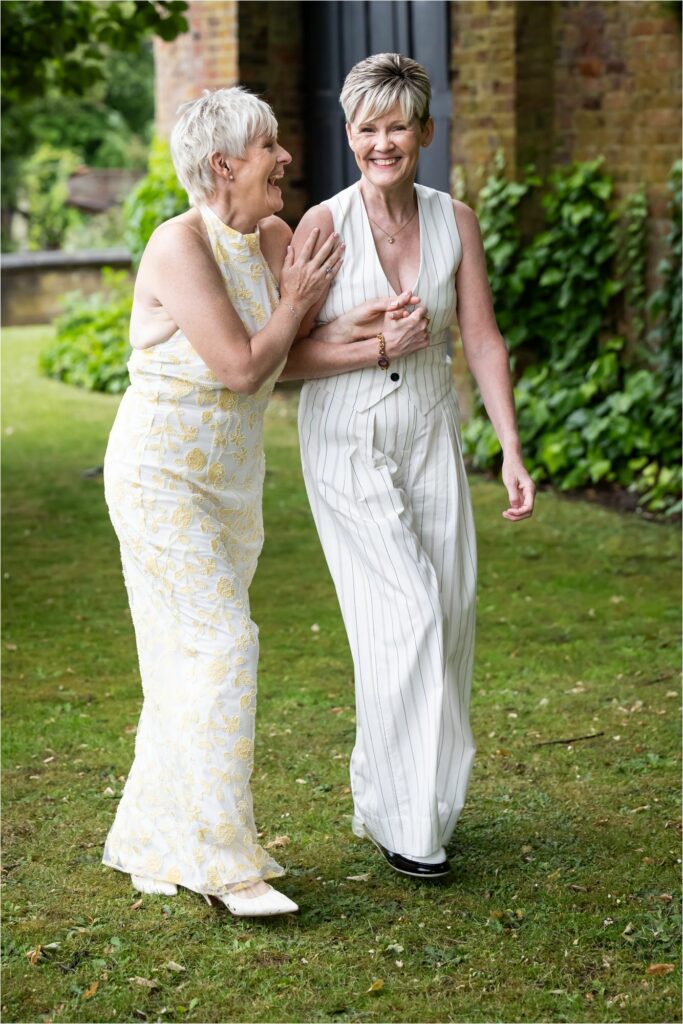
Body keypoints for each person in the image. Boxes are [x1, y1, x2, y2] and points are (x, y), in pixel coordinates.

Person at [281, 53, 535, 879]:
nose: (381, 142)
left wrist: (509, 447)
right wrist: (372, 342)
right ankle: (406, 831)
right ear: (347, 135)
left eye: (397, 126)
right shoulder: (321, 225)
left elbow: (481, 338)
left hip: (429, 432)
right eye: (366, 128)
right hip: (346, 435)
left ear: (423, 131)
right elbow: (287, 359)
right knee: (408, 615)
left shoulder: (453, 218)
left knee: (449, 618)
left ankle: (399, 798)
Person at [102, 87, 344, 917]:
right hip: (158, 476)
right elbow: (244, 365)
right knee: (223, 647)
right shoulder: (178, 245)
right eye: (268, 145)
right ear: (222, 165)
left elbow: (290, 354)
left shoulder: (272, 234)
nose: (284, 158)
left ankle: (149, 842)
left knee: (184, 663)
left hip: (230, 484)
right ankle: (225, 864)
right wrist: (297, 304)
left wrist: (379, 337)